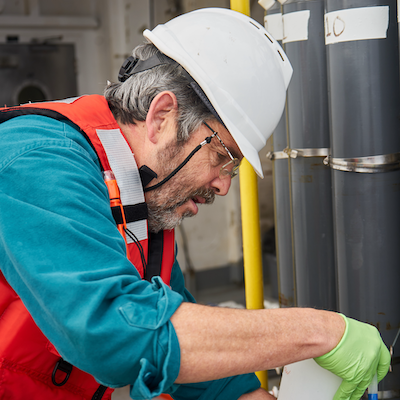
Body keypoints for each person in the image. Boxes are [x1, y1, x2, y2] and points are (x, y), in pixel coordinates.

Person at [0, 7, 390, 400]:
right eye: (222, 155)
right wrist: (319, 333)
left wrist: (244, 395)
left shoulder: (139, 202)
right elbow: (112, 332)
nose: (223, 186)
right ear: (162, 116)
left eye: (232, 168)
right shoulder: (36, 160)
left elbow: (173, 323)